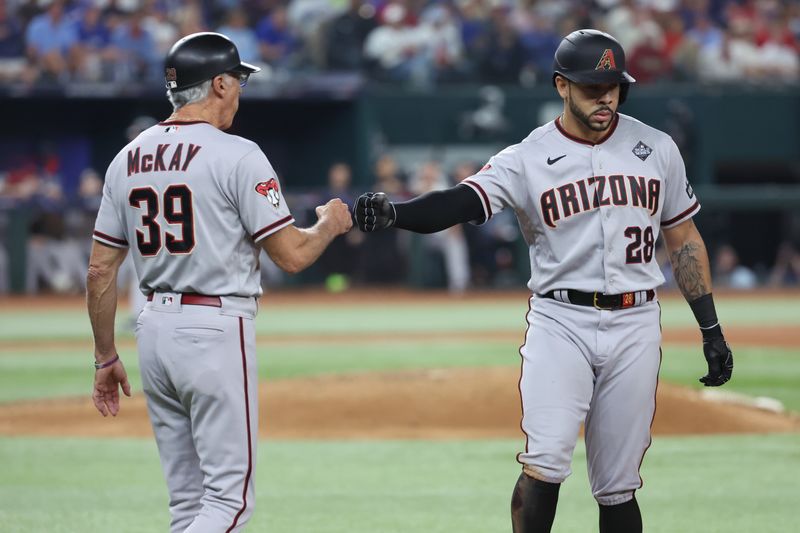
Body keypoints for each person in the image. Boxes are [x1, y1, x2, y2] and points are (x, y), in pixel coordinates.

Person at [353, 29, 733, 533]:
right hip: (562, 322)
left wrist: (710, 328)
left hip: (637, 322)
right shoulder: (528, 157)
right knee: (546, 462)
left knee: (619, 485)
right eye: (592, 86)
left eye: (614, 86)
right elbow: (461, 203)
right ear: (561, 85)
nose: (606, 97)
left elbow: (683, 239)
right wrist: (396, 213)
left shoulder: (655, 148)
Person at [86, 32, 351, 532]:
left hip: (152, 331)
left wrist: (105, 355)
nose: (242, 91)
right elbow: (292, 255)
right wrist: (330, 226)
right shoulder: (238, 154)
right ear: (221, 84)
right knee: (229, 503)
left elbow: (101, 270)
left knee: (188, 505)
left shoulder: (126, 159)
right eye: (240, 81)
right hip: (214, 328)